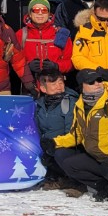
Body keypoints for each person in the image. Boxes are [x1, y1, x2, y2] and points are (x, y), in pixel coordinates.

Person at [53, 69, 108, 205]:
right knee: (68, 164)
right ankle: (106, 187)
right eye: (91, 82)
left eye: (99, 80)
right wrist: (54, 143)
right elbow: (77, 136)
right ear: (82, 86)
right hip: (99, 157)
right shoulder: (79, 106)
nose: (98, 84)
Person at [32, 64, 80, 192]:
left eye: (60, 82)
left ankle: (72, 181)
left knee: (60, 154)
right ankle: (53, 176)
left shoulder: (69, 102)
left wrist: (54, 144)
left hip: (66, 147)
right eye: (53, 84)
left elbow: (71, 132)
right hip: (48, 146)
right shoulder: (39, 105)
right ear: (43, 88)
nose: (59, 86)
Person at [17, 0, 72, 95]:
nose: (40, 13)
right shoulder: (21, 34)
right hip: (30, 87)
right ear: (30, 13)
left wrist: (57, 66)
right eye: (36, 10)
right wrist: (27, 66)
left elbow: (70, 61)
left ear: (49, 13)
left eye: (44, 10)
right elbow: (15, 61)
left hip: (55, 86)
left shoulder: (60, 34)